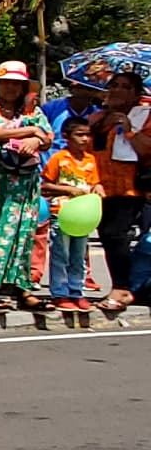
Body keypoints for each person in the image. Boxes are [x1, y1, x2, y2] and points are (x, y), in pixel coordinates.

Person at [0, 61, 54, 310]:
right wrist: (29, 133)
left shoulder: (34, 112)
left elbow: (47, 139)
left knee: (22, 235)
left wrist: (36, 140)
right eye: (6, 83)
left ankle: (20, 288)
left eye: (16, 84)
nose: (10, 88)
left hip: (24, 186)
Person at [87, 73, 150, 313]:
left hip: (133, 187)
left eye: (125, 87)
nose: (116, 90)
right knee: (108, 235)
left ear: (136, 95)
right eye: (113, 85)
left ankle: (122, 288)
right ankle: (128, 286)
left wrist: (129, 129)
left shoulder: (145, 117)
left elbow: (146, 150)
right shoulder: (97, 118)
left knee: (117, 234)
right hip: (101, 186)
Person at [43, 119, 102, 316]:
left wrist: (98, 188)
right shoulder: (59, 159)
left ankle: (77, 291)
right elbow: (45, 185)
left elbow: (94, 183)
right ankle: (60, 292)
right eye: (79, 134)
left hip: (82, 216)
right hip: (61, 212)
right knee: (61, 254)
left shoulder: (90, 160)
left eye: (87, 134)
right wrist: (67, 189)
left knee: (79, 255)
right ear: (67, 137)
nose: (85, 139)